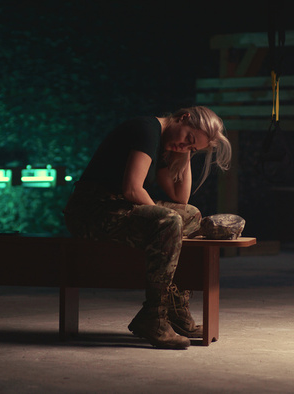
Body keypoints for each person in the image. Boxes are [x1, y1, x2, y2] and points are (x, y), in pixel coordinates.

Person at [63, 106, 231, 349]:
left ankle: (175, 311)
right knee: (169, 221)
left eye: (193, 147)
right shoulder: (146, 130)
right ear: (183, 117)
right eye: (188, 138)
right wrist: (162, 221)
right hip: (91, 211)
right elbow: (132, 188)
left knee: (190, 215)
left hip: (117, 207)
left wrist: (187, 154)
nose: (184, 146)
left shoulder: (165, 143)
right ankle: (153, 315)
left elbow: (180, 198)